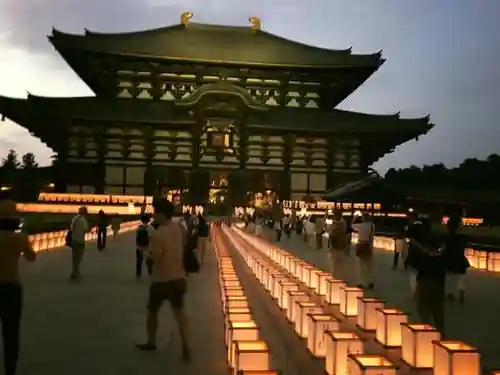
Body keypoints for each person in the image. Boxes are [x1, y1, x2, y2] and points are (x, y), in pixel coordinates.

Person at [137, 199, 190, 362]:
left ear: (160, 214)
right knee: (179, 313)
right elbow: (185, 244)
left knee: (152, 311)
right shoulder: (178, 228)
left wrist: (144, 252)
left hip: (161, 280)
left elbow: (156, 257)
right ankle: (186, 346)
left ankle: (151, 341)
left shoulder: (158, 233)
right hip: (179, 277)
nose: (153, 216)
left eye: (155, 213)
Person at [0, 200, 36, 375]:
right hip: (11, 288)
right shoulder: (18, 238)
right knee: (11, 332)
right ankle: (10, 370)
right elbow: (31, 257)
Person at [413, 234, 447, 337]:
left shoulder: (424, 258)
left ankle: (429, 333)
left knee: (423, 311)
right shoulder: (442, 259)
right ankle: (441, 335)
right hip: (438, 286)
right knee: (438, 314)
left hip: (425, 285)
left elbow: (420, 271)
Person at [442, 215, 469, 304]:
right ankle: (461, 294)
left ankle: (450, 295)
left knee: (449, 278)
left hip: (449, 259)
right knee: (461, 279)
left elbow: (444, 247)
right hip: (460, 259)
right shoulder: (462, 237)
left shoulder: (447, 236)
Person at [351, 213, 375, 289]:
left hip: (360, 245)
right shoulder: (372, 226)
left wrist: (354, 217)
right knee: (369, 266)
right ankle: (370, 282)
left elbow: (351, 225)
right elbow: (372, 237)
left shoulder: (360, 225)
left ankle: (360, 282)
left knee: (360, 265)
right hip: (368, 245)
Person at [404, 212, 426, 293]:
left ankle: (415, 292)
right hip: (424, 253)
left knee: (413, 273)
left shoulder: (411, 228)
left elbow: (408, 240)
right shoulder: (424, 227)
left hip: (413, 251)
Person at [69, 206, 89, 281]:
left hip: (74, 239)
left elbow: (71, 228)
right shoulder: (83, 220)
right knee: (79, 257)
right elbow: (85, 230)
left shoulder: (74, 218)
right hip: (80, 240)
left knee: (74, 258)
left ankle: (75, 272)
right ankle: (75, 273)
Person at [328, 211, 349, 279]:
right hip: (340, 245)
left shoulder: (335, 223)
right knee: (339, 263)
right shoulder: (343, 223)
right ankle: (339, 277)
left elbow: (330, 232)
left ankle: (335, 277)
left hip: (335, 245)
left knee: (335, 262)